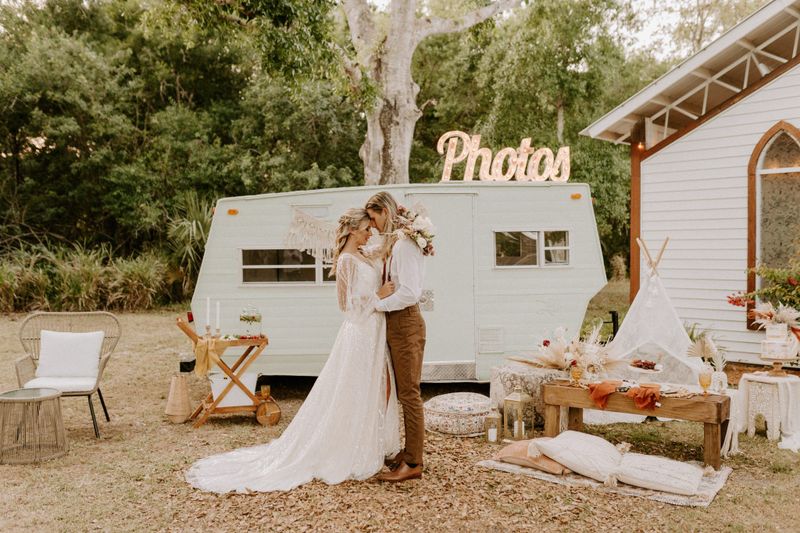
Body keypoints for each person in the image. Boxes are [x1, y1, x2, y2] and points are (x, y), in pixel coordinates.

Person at [185, 208, 400, 493]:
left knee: (373, 388)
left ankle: (370, 442)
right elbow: (346, 308)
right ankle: (347, 447)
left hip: (373, 331)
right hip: (359, 332)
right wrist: (378, 296)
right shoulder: (347, 260)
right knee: (352, 390)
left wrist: (405, 230)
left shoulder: (364, 254)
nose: (369, 233)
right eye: (365, 229)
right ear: (351, 230)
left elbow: (386, 247)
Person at [366, 192, 427, 482]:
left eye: (374, 217)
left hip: (405, 322)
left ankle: (413, 462)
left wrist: (378, 304)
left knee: (409, 394)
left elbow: (409, 292)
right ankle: (408, 451)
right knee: (403, 393)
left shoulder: (404, 246)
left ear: (385, 212)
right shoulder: (392, 245)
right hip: (395, 324)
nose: (372, 224)